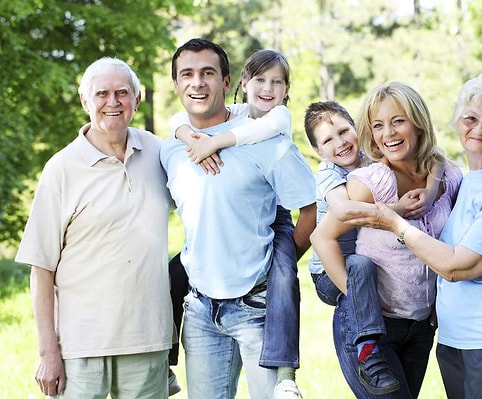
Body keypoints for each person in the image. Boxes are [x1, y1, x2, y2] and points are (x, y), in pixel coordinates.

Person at [343, 73, 482, 399]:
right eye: (470, 118)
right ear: (458, 123)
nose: (479, 129)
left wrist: (395, 223)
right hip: (457, 339)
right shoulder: (466, 180)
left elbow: (458, 267)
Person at [160, 38, 316, 399]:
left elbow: (311, 209)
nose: (197, 83)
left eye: (208, 73)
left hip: (257, 308)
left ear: (228, 81)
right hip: (198, 309)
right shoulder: (170, 148)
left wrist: (279, 262)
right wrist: (186, 133)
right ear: (176, 84)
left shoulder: (267, 139)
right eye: (187, 74)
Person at [14, 57, 173, 398]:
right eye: (102, 93)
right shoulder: (61, 168)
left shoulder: (160, 153)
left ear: (137, 99)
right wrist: (48, 353)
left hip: (147, 340)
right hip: (80, 348)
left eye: (122, 92)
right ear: (85, 101)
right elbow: (41, 268)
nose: (112, 102)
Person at [310, 82, 462, 398]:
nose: (388, 133)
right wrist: (357, 299)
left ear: (418, 121)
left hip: (420, 329)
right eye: (378, 125)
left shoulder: (447, 175)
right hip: (372, 331)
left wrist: (434, 188)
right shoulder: (371, 182)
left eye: (398, 121)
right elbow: (321, 237)